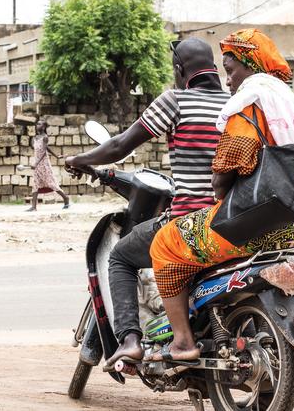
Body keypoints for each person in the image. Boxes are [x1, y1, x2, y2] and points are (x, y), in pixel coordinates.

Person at [145, 28, 294, 362]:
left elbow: (221, 179)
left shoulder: (250, 105)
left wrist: (223, 189)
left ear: (251, 65)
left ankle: (181, 341)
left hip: (255, 228)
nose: (228, 81)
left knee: (164, 244)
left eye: (231, 70)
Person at [65, 38, 231, 367]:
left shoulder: (176, 100)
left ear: (180, 70)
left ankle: (130, 340)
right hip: (229, 219)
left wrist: (78, 158)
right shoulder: (234, 105)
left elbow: (119, 146)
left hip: (188, 220)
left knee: (121, 256)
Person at [27, 119, 70, 211]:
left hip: (44, 164)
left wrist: (36, 163)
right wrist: (57, 156)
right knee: (35, 184)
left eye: (39, 124)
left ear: (43, 127)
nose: (37, 125)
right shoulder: (35, 138)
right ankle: (34, 207)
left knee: (51, 183)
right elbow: (47, 149)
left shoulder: (45, 137)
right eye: (37, 124)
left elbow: (44, 152)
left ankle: (66, 199)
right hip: (37, 164)